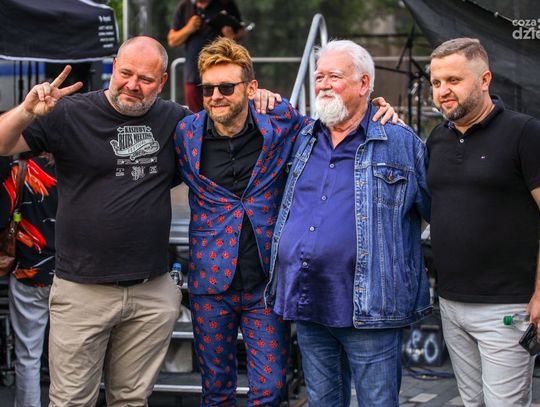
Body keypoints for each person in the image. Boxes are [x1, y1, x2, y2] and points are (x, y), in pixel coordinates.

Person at [174, 37, 399, 406]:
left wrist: (375, 108)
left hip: (267, 283)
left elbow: (336, 121)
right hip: (210, 281)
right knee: (215, 391)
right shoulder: (186, 133)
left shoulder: (280, 122)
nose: (215, 96)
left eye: (226, 87)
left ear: (251, 88)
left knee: (271, 388)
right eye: (208, 88)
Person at [0, 36, 186, 406]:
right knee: (72, 401)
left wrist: (262, 100)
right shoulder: (68, 113)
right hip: (82, 289)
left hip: (151, 289)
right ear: (113, 67)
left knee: (131, 400)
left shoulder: (175, 119)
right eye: (126, 73)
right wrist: (27, 111)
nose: (132, 84)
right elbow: (4, 144)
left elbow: (227, 130)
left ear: (162, 81)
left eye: (145, 79)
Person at [265, 39, 432, 407]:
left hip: (372, 309)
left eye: (335, 76)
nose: (323, 84)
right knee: (323, 402)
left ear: (364, 83)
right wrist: (259, 93)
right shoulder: (301, 138)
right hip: (308, 300)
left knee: (377, 402)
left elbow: (436, 212)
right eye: (319, 76)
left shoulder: (400, 142)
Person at [427, 38, 540, 406]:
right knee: (471, 401)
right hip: (450, 304)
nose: (443, 91)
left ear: (485, 79)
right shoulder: (437, 139)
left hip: (506, 308)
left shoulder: (524, 132)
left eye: (454, 80)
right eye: (436, 82)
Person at [0, 153, 56, 407]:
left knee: (28, 355)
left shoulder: (20, 170)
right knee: (72, 356)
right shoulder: (79, 166)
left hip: (29, 274)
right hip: (73, 277)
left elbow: (2, 215)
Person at [168, 0, 246, 113]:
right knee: (196, 115)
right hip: (193, 74)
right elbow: (172, 40)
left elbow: (241, 31)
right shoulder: (185, 6)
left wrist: (231, 36)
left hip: (221, 72)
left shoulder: (226, 4)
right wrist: (188, 28)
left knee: (223, 112)